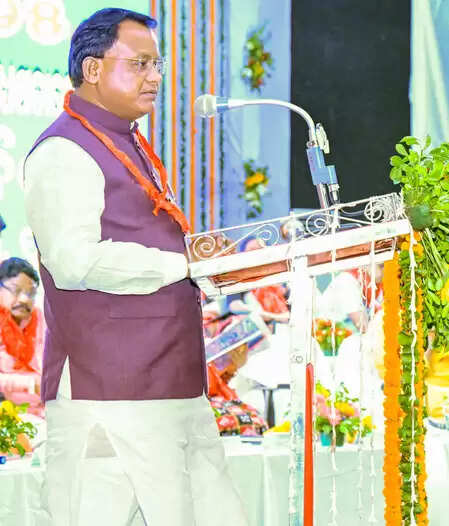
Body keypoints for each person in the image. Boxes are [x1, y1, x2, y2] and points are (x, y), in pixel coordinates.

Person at [24, 8, 247, 526]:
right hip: (111, 395)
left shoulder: (129, 141)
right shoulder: (63, 150)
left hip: (173, 384)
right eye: (139, 63)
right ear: (93, 69)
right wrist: (180, 263)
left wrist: (208, 261)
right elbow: (74, 261)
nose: (154, 78)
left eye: (157, 64)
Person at [0, 257, 44, 417]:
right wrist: (31, 383)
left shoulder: (39, 320)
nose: (25, 299)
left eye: (31, 294)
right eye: (16, 290)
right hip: (9, 415)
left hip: (42, 412)